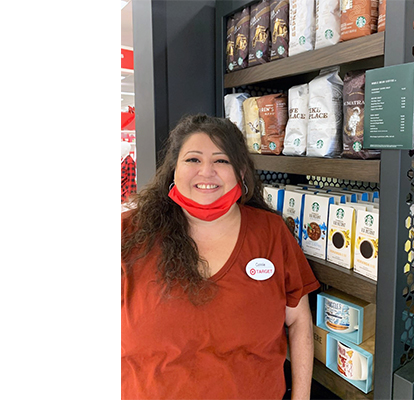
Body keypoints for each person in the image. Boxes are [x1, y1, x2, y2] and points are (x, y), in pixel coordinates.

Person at [121, 114, 320, 399]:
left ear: (241, 172)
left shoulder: (271, 232)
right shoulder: (127, 234)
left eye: (221, 160)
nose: (207, 171)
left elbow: (299, 320)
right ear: (173, 170)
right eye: (193, 160)